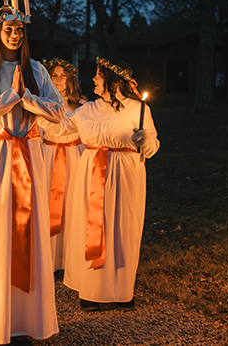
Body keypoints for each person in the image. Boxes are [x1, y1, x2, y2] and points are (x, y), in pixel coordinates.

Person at [0, 5, 64, 344]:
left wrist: (29, 99)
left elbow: (59, 112)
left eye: (20, 28)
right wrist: (7, 99)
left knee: (29, 229)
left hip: (30, 154)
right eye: (9, 28)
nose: (15, 33)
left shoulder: (35, 69)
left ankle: (28, 319)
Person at [39, 57, 159, 312]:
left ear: (112, 80)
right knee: (92, 228)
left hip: (127, 175)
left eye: (98, 75)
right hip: (91, 172)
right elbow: (61, 128)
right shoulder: (87, 109)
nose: (93, 79)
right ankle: (92, 292)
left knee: (123, 228)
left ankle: (121, 291)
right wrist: (33, 113)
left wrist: (144, 139)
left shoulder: (138, 109)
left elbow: (153, 146)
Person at [40, 58, 87, 272]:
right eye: (54, 76)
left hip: (74, 156)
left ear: (70, 79)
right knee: (49, 206)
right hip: (49, 156)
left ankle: (70, 260)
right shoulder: (43, 104)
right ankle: (50, 259)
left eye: (63, 76)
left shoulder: (82, 106)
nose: (58, 80)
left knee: (73, 207)